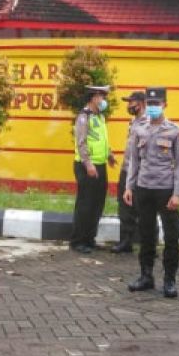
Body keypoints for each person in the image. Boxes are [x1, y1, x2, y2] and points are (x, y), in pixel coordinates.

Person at [123, 87, 179, 298]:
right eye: (150, 104)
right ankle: (146, 276)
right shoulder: (138, 129)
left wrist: (178, 193)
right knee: (146, 234)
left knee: (171, 236)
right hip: (144, 189)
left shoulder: (175, 131)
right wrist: (129, 187)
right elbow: (134, 161)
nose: (152, 108)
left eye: (156, 104)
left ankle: (169, 280)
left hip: (166, 190)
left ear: (165, 105)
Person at [70, 84, 117, 254]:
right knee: (85, 204)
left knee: (97, 203)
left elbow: (102, 139)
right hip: (86, 166)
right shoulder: (84, 117)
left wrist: (110, 155)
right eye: (101, 96)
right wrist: (88, 164)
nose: (103, 100)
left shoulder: (100, 116)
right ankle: (77, 241)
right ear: (93, 98)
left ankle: (90, 239)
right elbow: (81, 142)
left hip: (100, 165)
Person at [112, 91, 147, 254]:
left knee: (145, 208)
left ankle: (148, 245)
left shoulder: (149, 122)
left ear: (140, 103)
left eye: (131, 103)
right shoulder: (133, 122)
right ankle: (126, 242)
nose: (128, 106)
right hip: (127, 169)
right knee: (125, 207)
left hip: (141, 172)